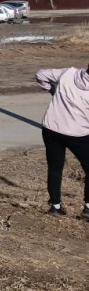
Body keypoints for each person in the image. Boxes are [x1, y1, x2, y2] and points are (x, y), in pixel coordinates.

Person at [35, 65, 89, 220]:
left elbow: (40, 74)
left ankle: (55, 207)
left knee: (55, 168)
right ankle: (87, 208)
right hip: (79, 134)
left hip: (52, 128)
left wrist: (52, 90)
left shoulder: (68, 73)